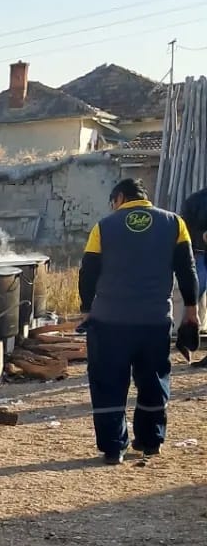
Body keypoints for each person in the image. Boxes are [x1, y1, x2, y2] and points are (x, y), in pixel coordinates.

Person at [79, 179, 199, 463]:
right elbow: (187, 269)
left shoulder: (104, 226)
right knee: (153, 380)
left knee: (108, 383)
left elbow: (88, 271)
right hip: (154, 321)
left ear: (119, 197)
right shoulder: (174, 223)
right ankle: (150, 441)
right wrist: (191, 311)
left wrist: (86, 309)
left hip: (110, 322)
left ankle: (113, 448)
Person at [180, 185, 207, 367]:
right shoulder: (196, 200)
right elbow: (184, 227)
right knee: (191, 300)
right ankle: (185, 341)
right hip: (200, 255)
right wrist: (201, 236)